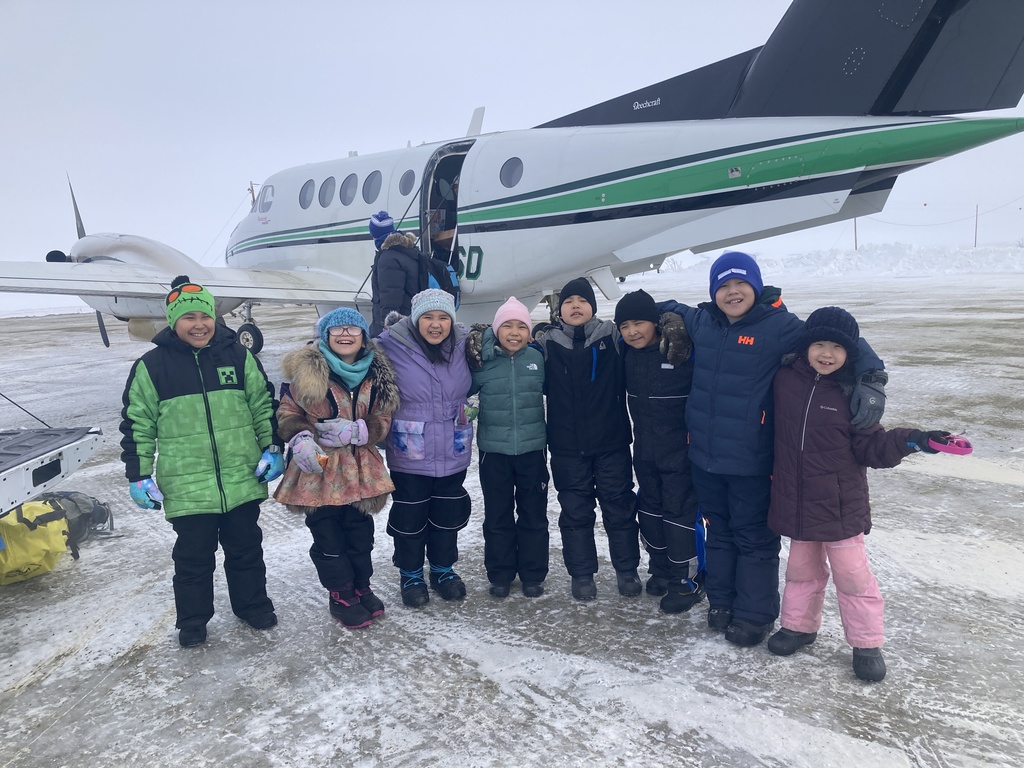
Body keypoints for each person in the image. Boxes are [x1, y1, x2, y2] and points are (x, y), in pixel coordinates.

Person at [660, 251, 888, 647]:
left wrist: (871, 376)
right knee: (719, 532)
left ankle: (755, 614)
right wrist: (670, 318)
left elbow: (840, 338)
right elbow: (660, 305)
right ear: (713, 292)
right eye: (724, 286)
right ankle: (723, 602)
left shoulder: (780, 328)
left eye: (741, 285)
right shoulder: (703, 322)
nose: (733, 293)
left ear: (757, 288)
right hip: (705, 456)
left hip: (750, 458)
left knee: (752, 538)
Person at [765, 306, 958, 682]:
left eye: (836, 348)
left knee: (853, 576)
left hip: (840, 506)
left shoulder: (852, 392)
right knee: (800, 571)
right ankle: (798, 626)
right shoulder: (785, 380)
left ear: (850, 354)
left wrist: (914, 440)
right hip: (797, 501)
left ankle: (866, 642)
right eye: (818, 344)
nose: (826, 353)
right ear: (805, 346)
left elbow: (873, 449)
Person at [119, 276, 284, 648]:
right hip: (188, 484)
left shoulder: (239, 357)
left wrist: (272, 446)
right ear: (173, 322)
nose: (199, 324)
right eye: (188, 317)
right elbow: (137, 423)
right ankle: (193, 620)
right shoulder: (152, 367)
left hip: (240, 477)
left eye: (204, 316)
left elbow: (262, 406)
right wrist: (138, 473)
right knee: (193, 559)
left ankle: (253, 604)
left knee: (246, 549)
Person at [273, 307, 399, 629]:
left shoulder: (376, 372)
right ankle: (341, 595)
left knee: (360, 535)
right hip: (319, 470)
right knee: (329, 537)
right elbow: (287, 409)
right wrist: (299, 436)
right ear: (326, 335)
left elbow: (384, 416)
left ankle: (361, 586)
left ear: (363, 336)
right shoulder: (310, 369)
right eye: (338, 329)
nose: (345, 335)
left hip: (360, 470)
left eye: (353, 329)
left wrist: (363, 430)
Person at [534, 277, 640, 601]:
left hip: (611, 444)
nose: (575, 306)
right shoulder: (548, 345)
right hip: (567, 448)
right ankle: (582, 575)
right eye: (568, 301)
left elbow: (644, 326)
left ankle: (627, 570)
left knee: (619, 509)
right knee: (576, 514)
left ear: (592, 306)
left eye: (582, 300)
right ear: (559, 310)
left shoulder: (611, 336)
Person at [376, 289, 474, 606]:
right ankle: (411, 574)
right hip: (410, 449)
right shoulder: (391, 345)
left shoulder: (465, 345)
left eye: (443, 317)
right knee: (410, 515)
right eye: (428, 317)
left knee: (447, 513)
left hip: (452, 445)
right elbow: (350, 357)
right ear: (416, 319)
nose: (436, 325)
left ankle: (443, 570)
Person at [615, 289, 705, 613]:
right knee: (650, 512)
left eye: (639, 323)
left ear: (655, 322)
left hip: (680, 449)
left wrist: (673, 316)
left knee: (680, 515)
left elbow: (705, 322)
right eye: (625, 326)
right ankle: (662, 568)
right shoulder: (625, 352)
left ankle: (688, 580)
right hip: (646, 449)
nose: (632, 332)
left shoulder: (681, 347)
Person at [467, 297, 549, 598]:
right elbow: (463, 393)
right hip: (494, 452)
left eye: (521, 326)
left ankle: (533, 573)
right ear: (496, 329)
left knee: (533, 514)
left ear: (529, 332)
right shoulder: (481, 361)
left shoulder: (537, 358)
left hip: (533, 449)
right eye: (507, 326)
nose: (514, 332)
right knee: (498, 515)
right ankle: (500, 573)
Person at [369, 210, 426, 337]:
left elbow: (391, 297)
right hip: (410, 319)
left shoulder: (389, 258)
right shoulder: (407, 251)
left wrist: (386, 331)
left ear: (374, 234)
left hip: (397, 326)